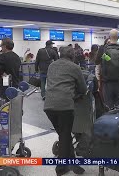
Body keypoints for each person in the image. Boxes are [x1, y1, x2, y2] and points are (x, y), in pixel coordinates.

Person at [44, 46, 87, 176]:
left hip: (49, 106)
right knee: (64, 136)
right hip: (64, 106)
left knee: (65, 135)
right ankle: (61, 168)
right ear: (72, 55)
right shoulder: (74, 67)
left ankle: (74, 163)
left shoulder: (52, 66)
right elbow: (83, 88)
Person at [99, 29, 119, 108]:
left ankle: (109, 119)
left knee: (108, 105)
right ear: (118, 37)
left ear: (109, 37)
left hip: (107, 82)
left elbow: (96, 61)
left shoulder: (103, 49)